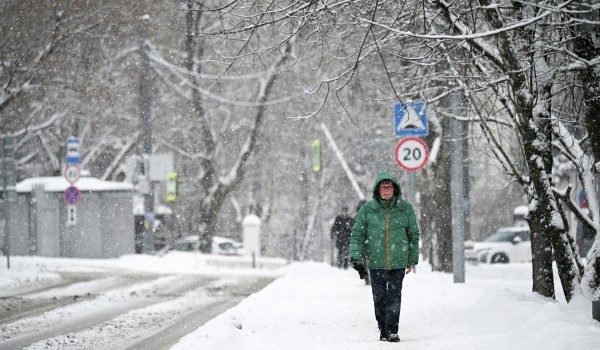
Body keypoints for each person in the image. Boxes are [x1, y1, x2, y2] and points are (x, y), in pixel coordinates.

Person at [349, 171, 420, 342]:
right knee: (379, 298)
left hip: (398, 262)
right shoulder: (368, 210)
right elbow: (357, 234)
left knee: (394, 297)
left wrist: (412, 259)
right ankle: (383, 329)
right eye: (383, 186)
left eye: (389, 186)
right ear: (377, 190)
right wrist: (356, 258)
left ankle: (392, 331)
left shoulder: (405, 209)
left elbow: (413, 235)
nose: (387, 189)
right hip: (376, 262)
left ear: (395, 189)